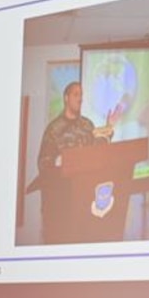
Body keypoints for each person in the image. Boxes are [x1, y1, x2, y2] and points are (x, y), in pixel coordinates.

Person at [36, 80, 115, 243]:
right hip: (59, 204)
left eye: (82, 95)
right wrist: (59, 161)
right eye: (76, 94)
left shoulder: (87, 125)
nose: (80, 99)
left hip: (84, 201)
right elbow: (43, 163)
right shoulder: (54, 129)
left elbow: (97, 151)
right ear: (66, 98)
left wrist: (109, 128)